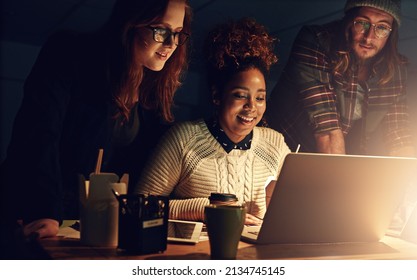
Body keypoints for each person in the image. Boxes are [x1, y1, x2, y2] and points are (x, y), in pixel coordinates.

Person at [0, 0, 192, 248]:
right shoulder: (71, 53)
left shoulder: (152, 88)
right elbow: (38, 135)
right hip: (30, 210)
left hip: (90, 225)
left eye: (177, 34)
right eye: (161, 30)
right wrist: (44, 210)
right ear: (130, 24)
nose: (170, 44)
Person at [134, 17, 291, 225]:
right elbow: (140, 205)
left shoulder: (276, 145)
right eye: (240, 95)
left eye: (260, 98)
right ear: (217, 96)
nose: (252, 106)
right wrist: (207, 209)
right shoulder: (183, 140)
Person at [266, 0, 415, 157]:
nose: (369, 37)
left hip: (336, 154)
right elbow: (327, 128)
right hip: (278, 149)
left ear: (391, 34)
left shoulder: (397, 69)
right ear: (349, 21)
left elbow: (399, 135)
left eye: (382, 27)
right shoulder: (316, 40)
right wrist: (339, 178)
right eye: (362, 23)